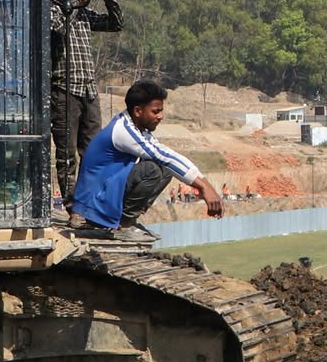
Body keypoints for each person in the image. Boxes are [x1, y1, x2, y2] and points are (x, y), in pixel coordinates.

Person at [69, 80, 224, 242]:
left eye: (161, 111)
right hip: (91, 204)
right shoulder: (124, 131)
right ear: (138, 111)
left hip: (102, 196)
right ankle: (123, 225)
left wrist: (204, 184)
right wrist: (204, 187)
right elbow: (163, 156)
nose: (160, 116)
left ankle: (127, 221)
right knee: (151, 170)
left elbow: (166, 154)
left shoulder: (135, 127)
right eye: (155, 111)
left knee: (165, 169)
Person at [50, 0, 123, 215]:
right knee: (66, 155)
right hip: (64, 91)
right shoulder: (54, 9)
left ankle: (90, 204)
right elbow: (56, 27)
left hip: (89, 91)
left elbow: (115, 24)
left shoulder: (84, 15)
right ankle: (74, 210)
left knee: (93, 154)